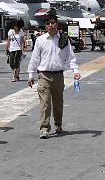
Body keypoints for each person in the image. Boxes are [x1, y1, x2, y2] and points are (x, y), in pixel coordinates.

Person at [27, 11, 80, 139]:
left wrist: (75, 71)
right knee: (45, 103)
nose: (51, 25)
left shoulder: (63, 39)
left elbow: (71, 57)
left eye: (53, 23)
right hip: (44, 75)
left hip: (58, 76)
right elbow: (35, 58)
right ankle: (44, 128)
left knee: (58, 103)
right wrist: (30, 74)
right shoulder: (40, 40)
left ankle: (58, 124)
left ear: (57, 24)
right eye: (48, 23)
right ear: (45, 26)